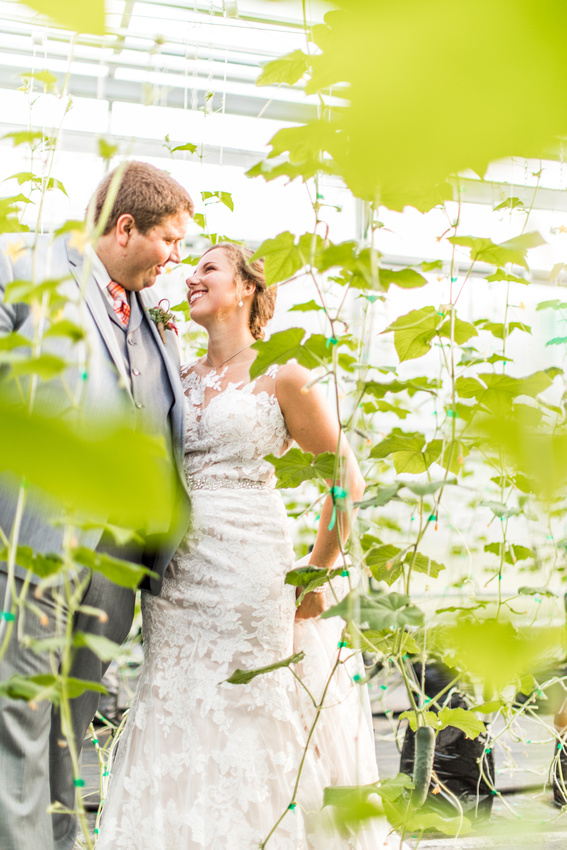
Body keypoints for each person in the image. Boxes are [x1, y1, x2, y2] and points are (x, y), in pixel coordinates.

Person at [96, 242, 405, 849]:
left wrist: (319, 569)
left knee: (250, 709)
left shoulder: (283, 372)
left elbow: (346, 477)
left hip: (250, 574)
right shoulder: (173, 375)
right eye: (190, 270)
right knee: (174, 705)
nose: (192, 277)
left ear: (245, 289)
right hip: (177, 579)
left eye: (208, 267)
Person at [0, 161, 194, 850]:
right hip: (37, 539)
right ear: (124, 227)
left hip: (117, 564)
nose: (177, 259)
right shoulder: (25, 265)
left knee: (67, 724)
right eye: (170, 241)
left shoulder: (149, 315)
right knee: (18, 719)